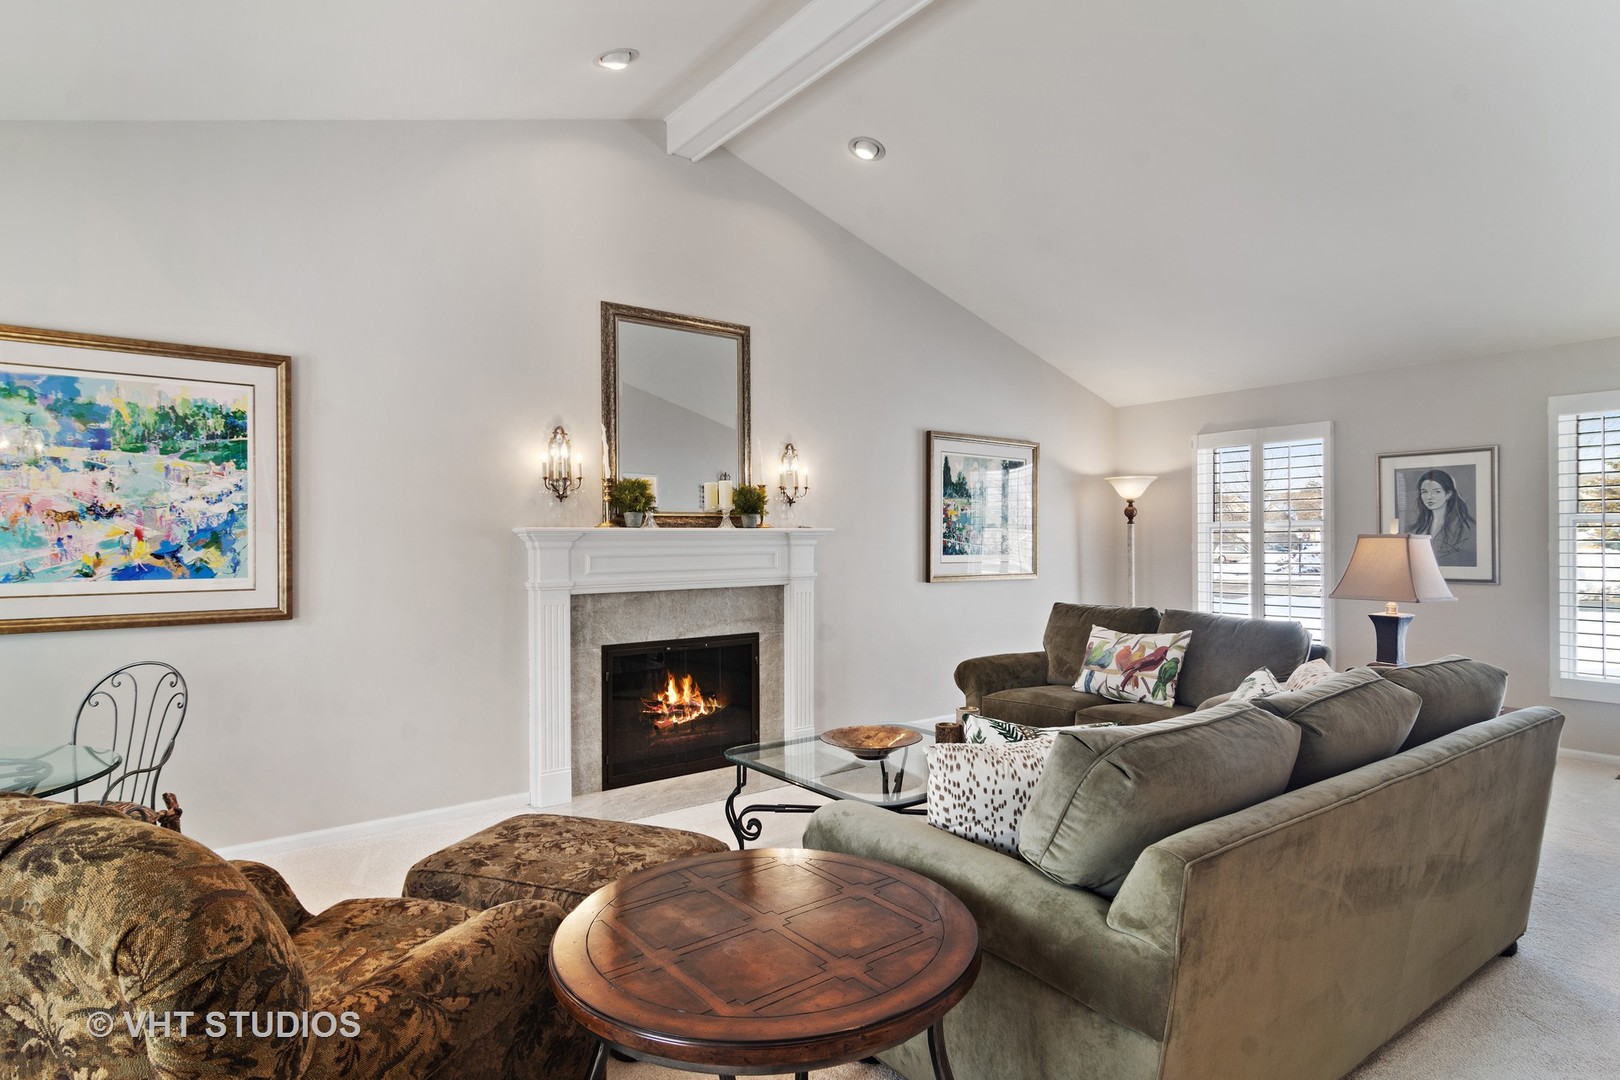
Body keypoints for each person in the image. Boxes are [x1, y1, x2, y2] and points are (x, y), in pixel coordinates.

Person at [1407, 468, 1475, 564]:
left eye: (1436, 492)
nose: (1429, 496)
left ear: (1448, 494)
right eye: (1424, 492)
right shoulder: (1418, 527)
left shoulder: (1464, 527)